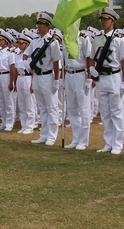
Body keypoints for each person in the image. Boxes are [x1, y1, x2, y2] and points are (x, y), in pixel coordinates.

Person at [90, 7, 124, 155]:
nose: (103, 22)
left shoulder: (119, 40)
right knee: (105, 112)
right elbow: (93, 58)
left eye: (106, 19)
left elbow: (123, 61)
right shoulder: (97, 39)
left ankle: (118, 144)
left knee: (117, 112)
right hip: (101, 77)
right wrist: (92, 71)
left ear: (112, 21)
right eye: (102, 19)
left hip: (114, 76)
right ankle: (108, 142)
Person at [23, 13, 62, 146]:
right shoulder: (35, 41)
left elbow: (56, 61)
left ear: (48, 26)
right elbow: (25, 54)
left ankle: (52, 135)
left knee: (51, 107)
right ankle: (44, 134)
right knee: (42, 108)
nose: (39, 27)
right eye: (38, 24)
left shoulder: (53, 42)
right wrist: (29, 68)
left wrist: (57, 80)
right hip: (37, 76)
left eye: (41, 24)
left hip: (48, 75)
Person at [63, 22, 92, 150]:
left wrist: (89, 78)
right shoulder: (66, 39)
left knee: (83, 108)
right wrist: (62, 78)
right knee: (72, 108)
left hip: (81, 73)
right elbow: (64, 60)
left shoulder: (83, 38)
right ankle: (76, 138)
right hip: (69, 73)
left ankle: (83, 140)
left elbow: (89, 58)